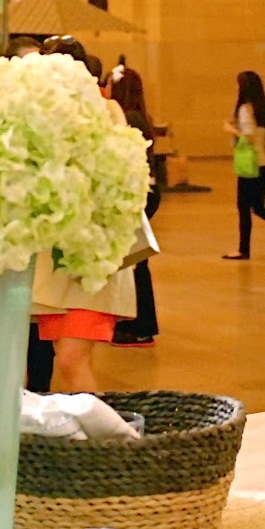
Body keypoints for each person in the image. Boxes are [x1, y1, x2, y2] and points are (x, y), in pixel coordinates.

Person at [29, 35, 137, 392]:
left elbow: (117, 180)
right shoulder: (38, 116)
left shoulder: (106, 113)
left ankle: (103, 443)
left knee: (72, 360)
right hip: (54, 263)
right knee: (66, 359)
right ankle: (93, 441)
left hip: (91, 257)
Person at [109, 65, 161, 347]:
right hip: (146, 191)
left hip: (139, 193)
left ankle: (141, 326)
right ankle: (139, 323)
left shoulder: (129, 118)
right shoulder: (140, 115)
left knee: (136, 261)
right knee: (136, 261)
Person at [222, 70, 265, 260]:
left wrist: (231, 129)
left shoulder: (245, 109)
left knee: (244, 207)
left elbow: (249, 135)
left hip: (250, 164)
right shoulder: (263, 109)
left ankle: (243, 249)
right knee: (258, 207)